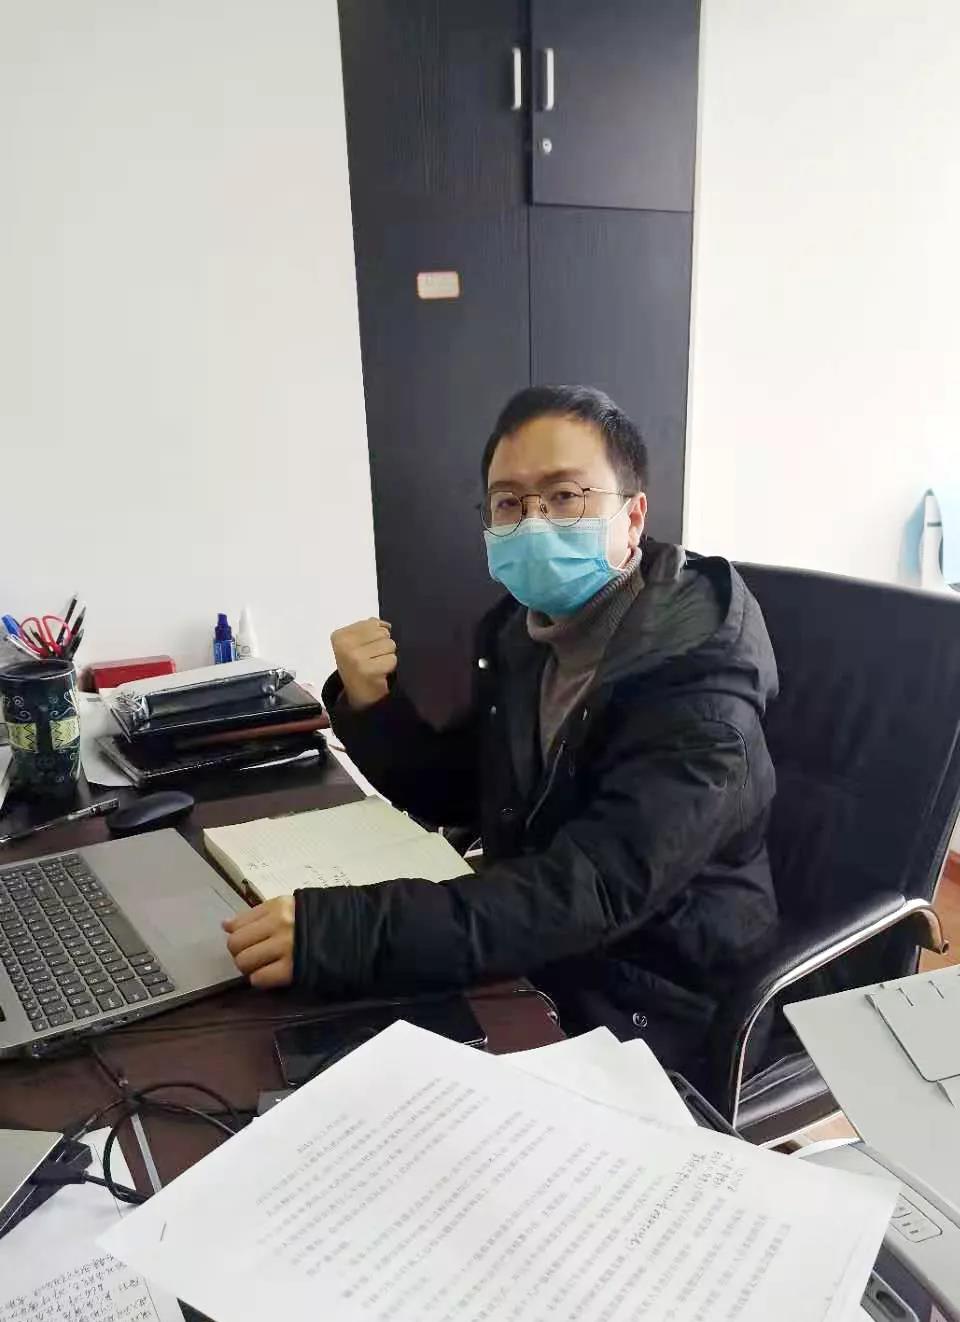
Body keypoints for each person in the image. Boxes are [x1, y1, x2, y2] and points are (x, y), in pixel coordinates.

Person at [223, 385, 779, 1077]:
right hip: (544, 946)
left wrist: (347, 931)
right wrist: (371, 706)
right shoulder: (524, 634)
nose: (534, 523)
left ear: (633, 516)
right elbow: (458, 791)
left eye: (565, 496)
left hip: (655, 993)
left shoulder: (698, 685)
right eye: (510, 503)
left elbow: (593, 889)